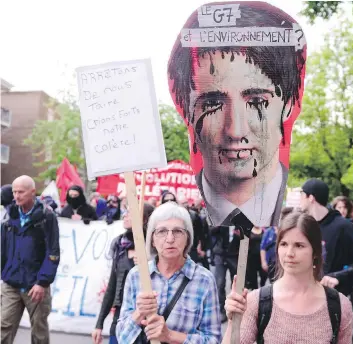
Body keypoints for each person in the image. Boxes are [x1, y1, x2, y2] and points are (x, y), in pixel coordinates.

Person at [167, 1, 307, 227]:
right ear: (186, 109)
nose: (235, 130)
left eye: (257, 101)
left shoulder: (293, 227)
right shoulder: (188, 225)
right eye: (213, 103)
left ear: (289, 103)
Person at [222, 210, 353, 343]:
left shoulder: (339, 307)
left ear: (315, 251)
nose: (289, 253)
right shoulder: (256, 302)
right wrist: (233, 322)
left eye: (299, 245)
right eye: (284, 244)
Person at [116, 201, 221, 343]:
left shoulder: (204, 280)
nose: (170, 239)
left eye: (178, 231)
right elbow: (122, 337)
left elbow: (214, 339)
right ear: (152, 239)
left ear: (187, 238)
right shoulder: (137, 275)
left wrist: (170, 336)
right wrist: (139, 313)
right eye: (162, 231)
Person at [1, 175, 60, 344]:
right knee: (3, 327)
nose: (16, 196)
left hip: (35, 285)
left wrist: (42, 282)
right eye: (14, 192)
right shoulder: (9, 216)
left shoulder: (46, 217)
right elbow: (3, 248)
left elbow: (53, 252)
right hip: (11, 282)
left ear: (33, 192)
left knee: (39, 331)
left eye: (21, 192)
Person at [298, 179, 353, 296]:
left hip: (331, 300)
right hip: (303, 296)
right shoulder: (304, 224)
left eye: (302, 195)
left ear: (311, 198)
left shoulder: (343, 226)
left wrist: (338, 276)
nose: (299, 199)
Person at [92, 203, 155, 344]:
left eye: (131, 213)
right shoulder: (120, 245)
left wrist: (149, 261)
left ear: (144, 220)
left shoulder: (155, 248)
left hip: (148, 321)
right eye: (125, 212)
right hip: (121, 318)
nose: (125, 215)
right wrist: (99, 324)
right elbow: (112, 285)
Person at [210, 224, 241, 323]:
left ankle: (235, 309)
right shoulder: (221, 219)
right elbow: (211, 231)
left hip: (234, 255)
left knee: (236, 283)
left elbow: (247, 237)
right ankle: (222, 311)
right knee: (219, 283)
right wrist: (218, 225)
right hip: (220, 254)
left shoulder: (239, 221)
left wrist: (241, 233)